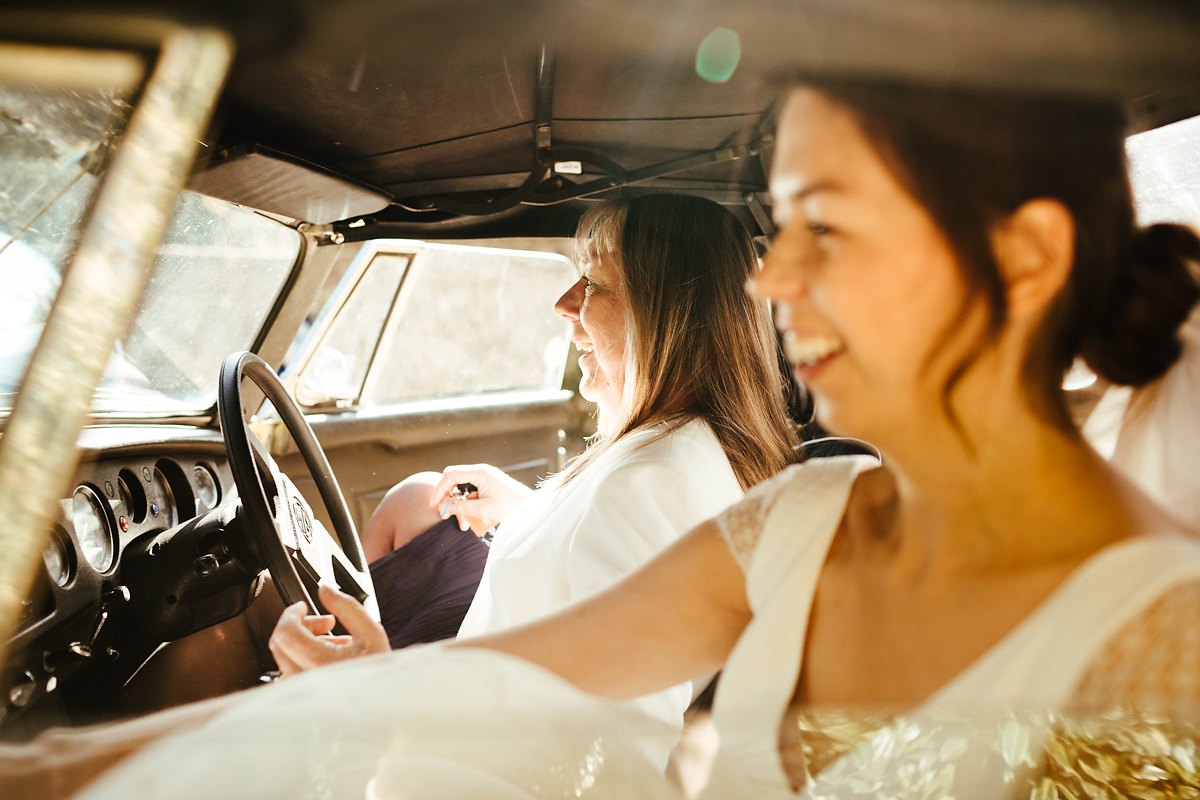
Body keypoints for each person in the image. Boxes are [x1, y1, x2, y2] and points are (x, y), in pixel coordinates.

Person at [10, 77, 1200, 799]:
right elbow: (499, 677)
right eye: (778, 227)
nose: (774, 278)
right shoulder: (800, 520)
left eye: (825, 228)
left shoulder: (1160, 651)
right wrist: (58, 771)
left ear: (1026, 261)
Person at [351, 193, 798, 674]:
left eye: (593, 283)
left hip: (485, 700)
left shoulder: (650, 484)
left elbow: (607, 734)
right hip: (507, 655)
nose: (563, 304)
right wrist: (527, 512)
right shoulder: (679, 445)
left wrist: (371, 677)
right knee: (417, 498)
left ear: (664, 317)